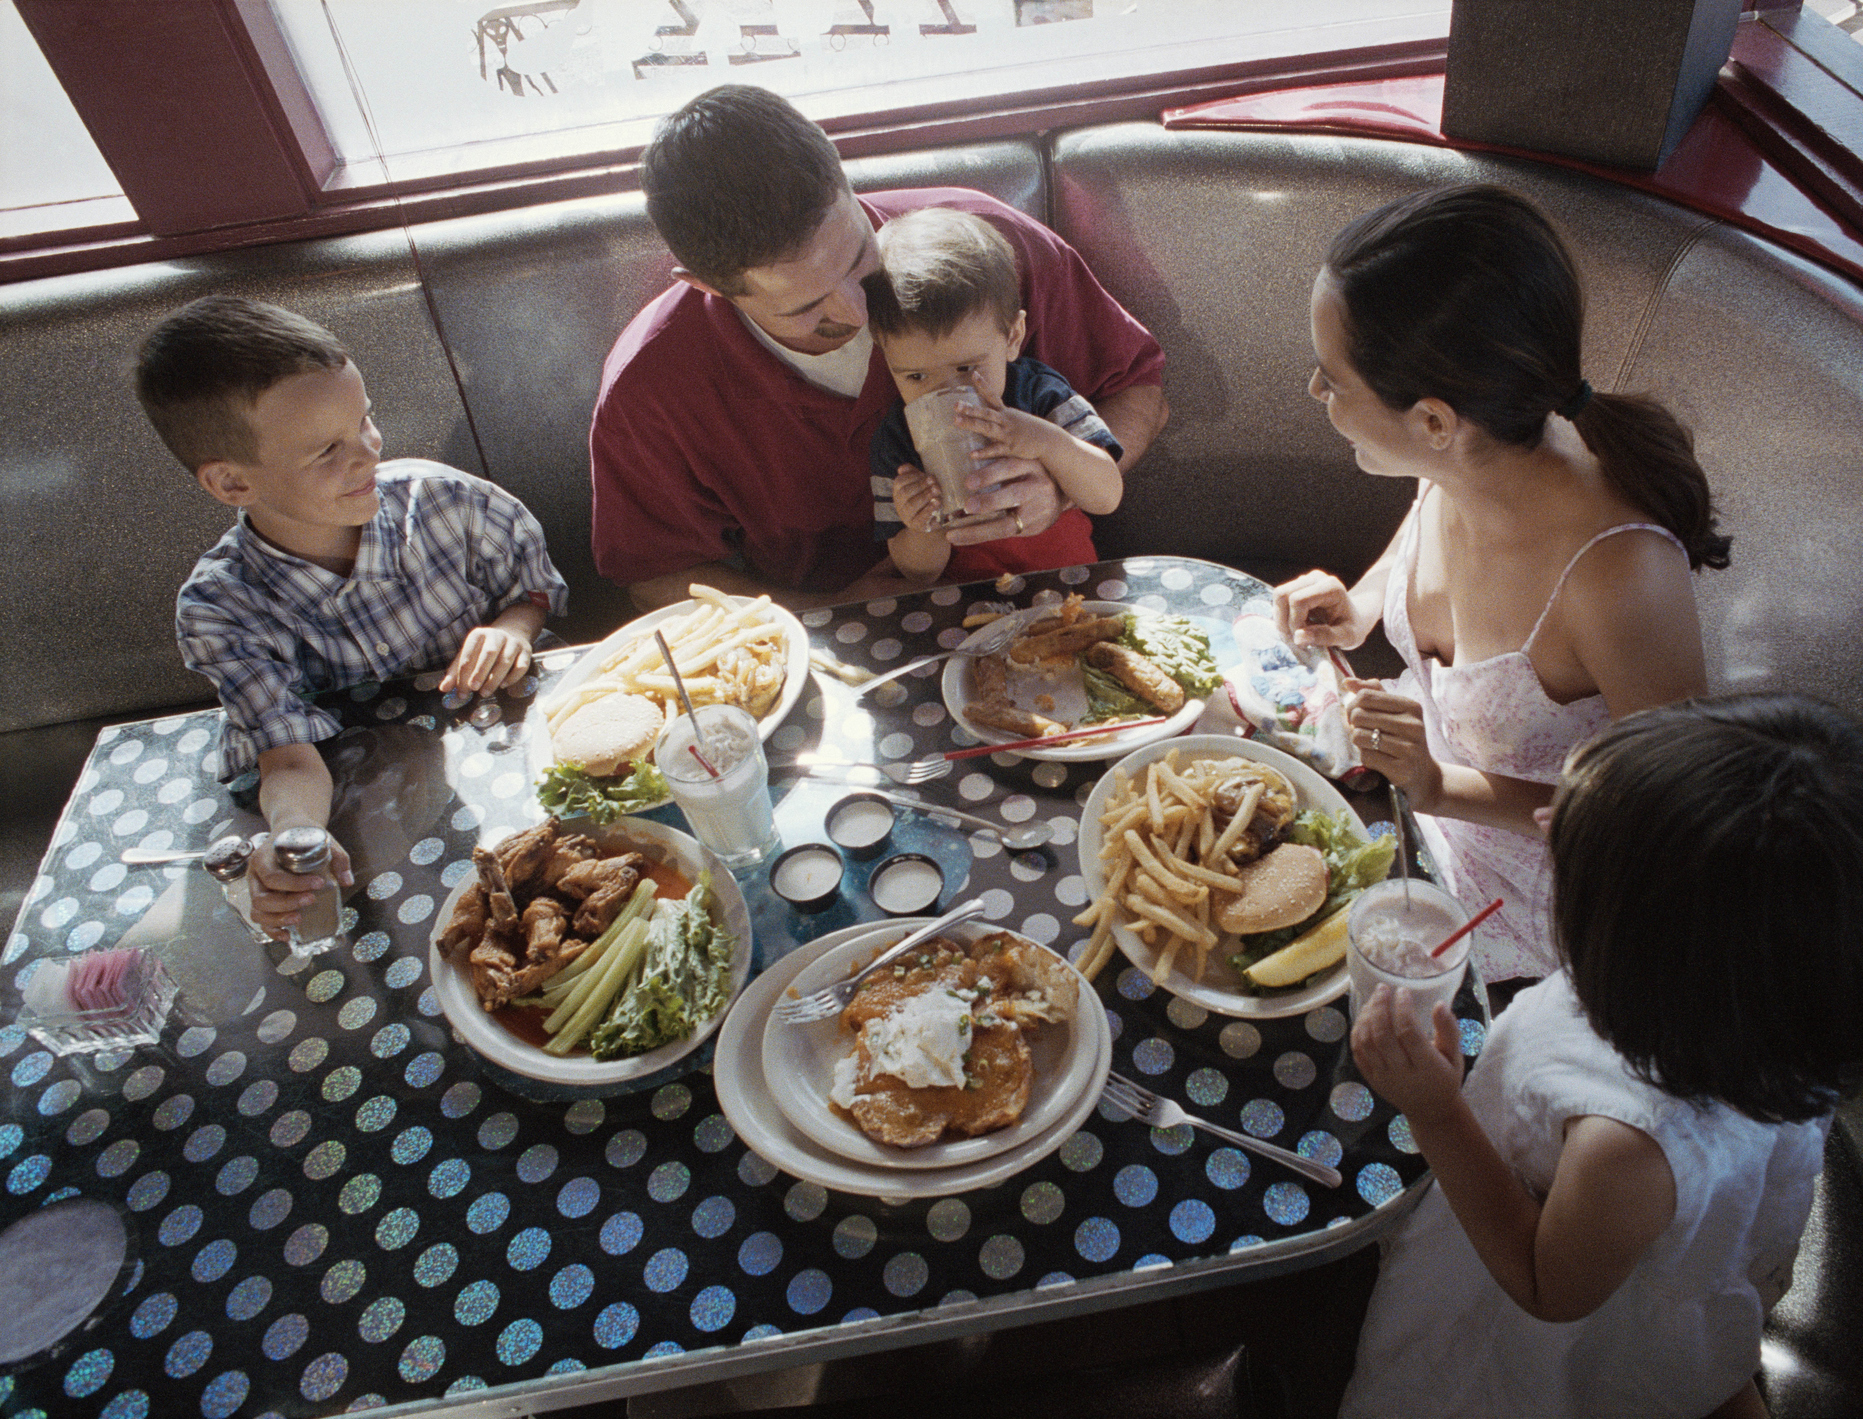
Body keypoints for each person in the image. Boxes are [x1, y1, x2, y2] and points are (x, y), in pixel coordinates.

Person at [1343, 693, 1863, 1418]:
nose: (1545, 824)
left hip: (1550, 1300)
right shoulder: (1772, 1009)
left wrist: (1438, 1112)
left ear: (1641, 951)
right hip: (1657, 1239)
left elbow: (1548, 1286)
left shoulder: (1626, 1146)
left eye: (1574, 852)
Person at [1274, 185, 1730, 985]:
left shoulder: (1620, 579)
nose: (1315, 394)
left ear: (1435, 422)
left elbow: (1671, 830)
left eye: (1331, 379)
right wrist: (1363, 604)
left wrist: (1436, 783)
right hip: (1413, 826)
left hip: (1533, 921)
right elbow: (1415, 547)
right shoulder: (1467, 458)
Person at [591, 83, 1167, 611]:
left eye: (858, 258)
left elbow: (1137, 389)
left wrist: (1061, 489)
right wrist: (822, 616)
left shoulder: (986, 249)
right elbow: (656, 572)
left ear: (844, 177)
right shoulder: (651, 389)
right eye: (804, 308)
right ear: (707, 287)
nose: (858, 311)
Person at [135, 295, 567, 936]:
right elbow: (287, 756)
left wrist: (511, 630)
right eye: (327, 451)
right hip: (351, 810)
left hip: (502, 771)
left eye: (365, 420)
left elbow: (533, 591)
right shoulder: (221, 608)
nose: (367, 454)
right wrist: (299, 837)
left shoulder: (448, 503)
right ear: (232, 484)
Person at [865, 206, 1124, 585]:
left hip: (1068, 584)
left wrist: (1050, 443)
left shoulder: (1039, 393)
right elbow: (918, 573)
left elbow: (1106, 495)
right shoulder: (897, 438)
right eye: (916, 375)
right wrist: (920, 523)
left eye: (967, 368)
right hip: (965, 608)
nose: (947, 393)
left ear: (1013, 337)